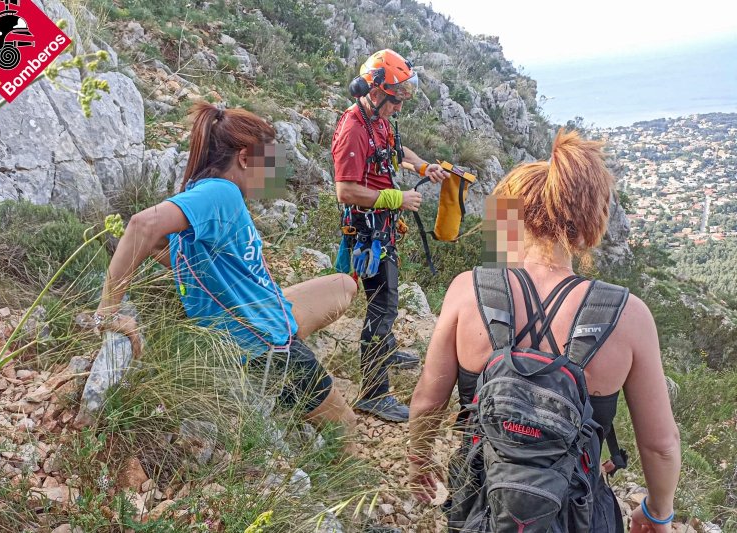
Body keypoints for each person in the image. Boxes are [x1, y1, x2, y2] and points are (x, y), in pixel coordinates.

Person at [407, 129, 681, 531]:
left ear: (509, 217)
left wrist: (419, 460)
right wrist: (658, 511)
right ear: (588, 220)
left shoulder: (468, 291)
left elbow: (428, 400)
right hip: (576, 513)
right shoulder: (629, 315)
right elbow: (660, 444)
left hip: (482, 504)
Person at [93, 102, 358, 449]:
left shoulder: (209, 194)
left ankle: (279, 336)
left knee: (343, 286)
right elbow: (142, 225)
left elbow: (161, 243)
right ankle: (337, 471)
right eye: (271, 160)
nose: (275, 173)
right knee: (347, 428)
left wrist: (200, 272)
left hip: (260, 321)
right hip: (266, 349)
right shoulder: (222, 192)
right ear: (246, 158)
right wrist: (108, 312)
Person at [331, 49, 449, 423]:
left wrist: (422, 165)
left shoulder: (377, 119)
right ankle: (373, 392)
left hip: (381, 225)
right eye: (396, 100)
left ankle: (383, 347)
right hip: (367, 229)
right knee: (384, 305)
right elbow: (345, 190)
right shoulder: (353, 128)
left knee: (383, 297)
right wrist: (395, 197)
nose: (398, 108)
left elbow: (396, 151)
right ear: (377, 91)